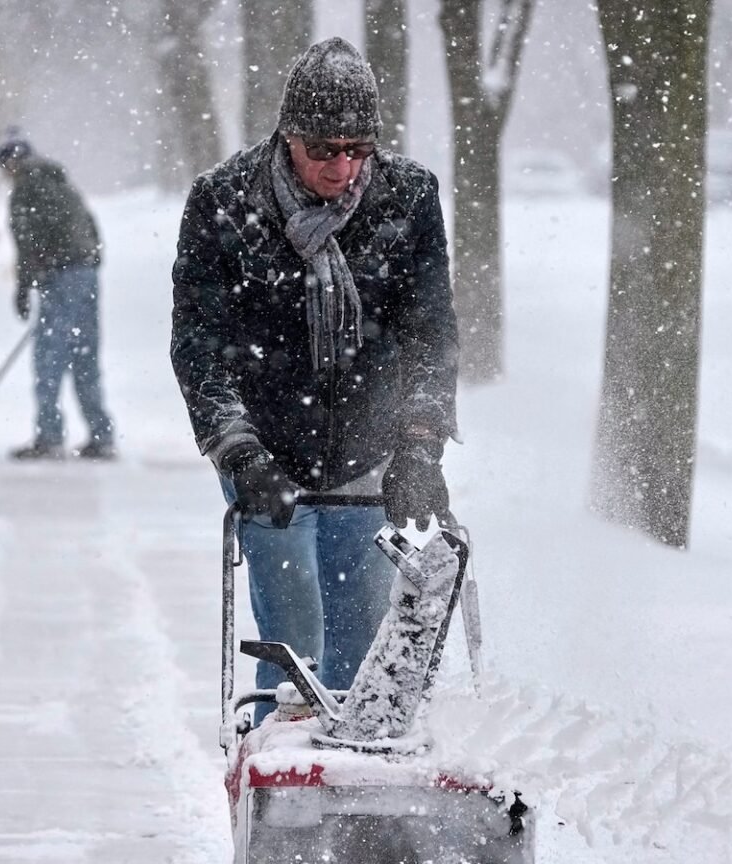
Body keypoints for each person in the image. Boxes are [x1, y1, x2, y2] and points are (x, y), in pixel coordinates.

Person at [169, 38, 459, 713]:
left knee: (360, 654)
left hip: (368, 441)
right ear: (288, 136)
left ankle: (353, 800)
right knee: (297, 643)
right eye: (324, 149)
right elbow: (198, 342)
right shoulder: (223, 203)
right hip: (266, 444)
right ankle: (281, 786)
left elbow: (430, 334)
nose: (342, 167)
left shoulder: (408, 198)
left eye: (358, 149)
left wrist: (420, 442)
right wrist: (238, 450)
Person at [0, 131, 117, 461]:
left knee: (49, 358)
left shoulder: (26, 189)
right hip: (86, 275)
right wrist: (89, 260)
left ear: (11, 163)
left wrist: (24, 288)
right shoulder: (61, 183)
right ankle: (102, 434)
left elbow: (27, 242)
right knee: (84, 355)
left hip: (61, 276)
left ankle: (49, 437)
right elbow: (91, 227)